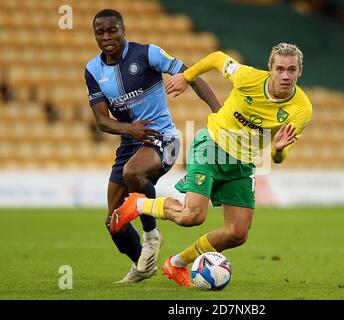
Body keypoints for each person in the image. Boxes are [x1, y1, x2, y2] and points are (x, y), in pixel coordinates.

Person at [109, 43, 312, 287]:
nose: (285, 76)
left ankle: (176, 264)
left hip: (243, 163)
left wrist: (278, 149)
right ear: (270, 69)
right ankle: (138, 203)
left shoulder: (301, 108)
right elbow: (218, 58)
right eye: (280, 69)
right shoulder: (247, 77)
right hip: (212, 145)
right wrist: (186, 76)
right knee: (192, 216)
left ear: (300, 72)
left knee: (237, 233)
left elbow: (280, 156)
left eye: (292, 70)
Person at [84, 9, 221, 283]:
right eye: (101, 32)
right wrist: (128, 129)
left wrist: (219, 113)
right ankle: (142, 265)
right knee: (114, 221)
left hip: (164, 138)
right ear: (95, 36)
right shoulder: (93, 70)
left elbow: (191, 75)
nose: (107, 37)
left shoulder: (147, 54)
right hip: (129, 142)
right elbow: (101, 120)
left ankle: (151, 235)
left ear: (124, 29)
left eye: (112, 30)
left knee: (133, 173)